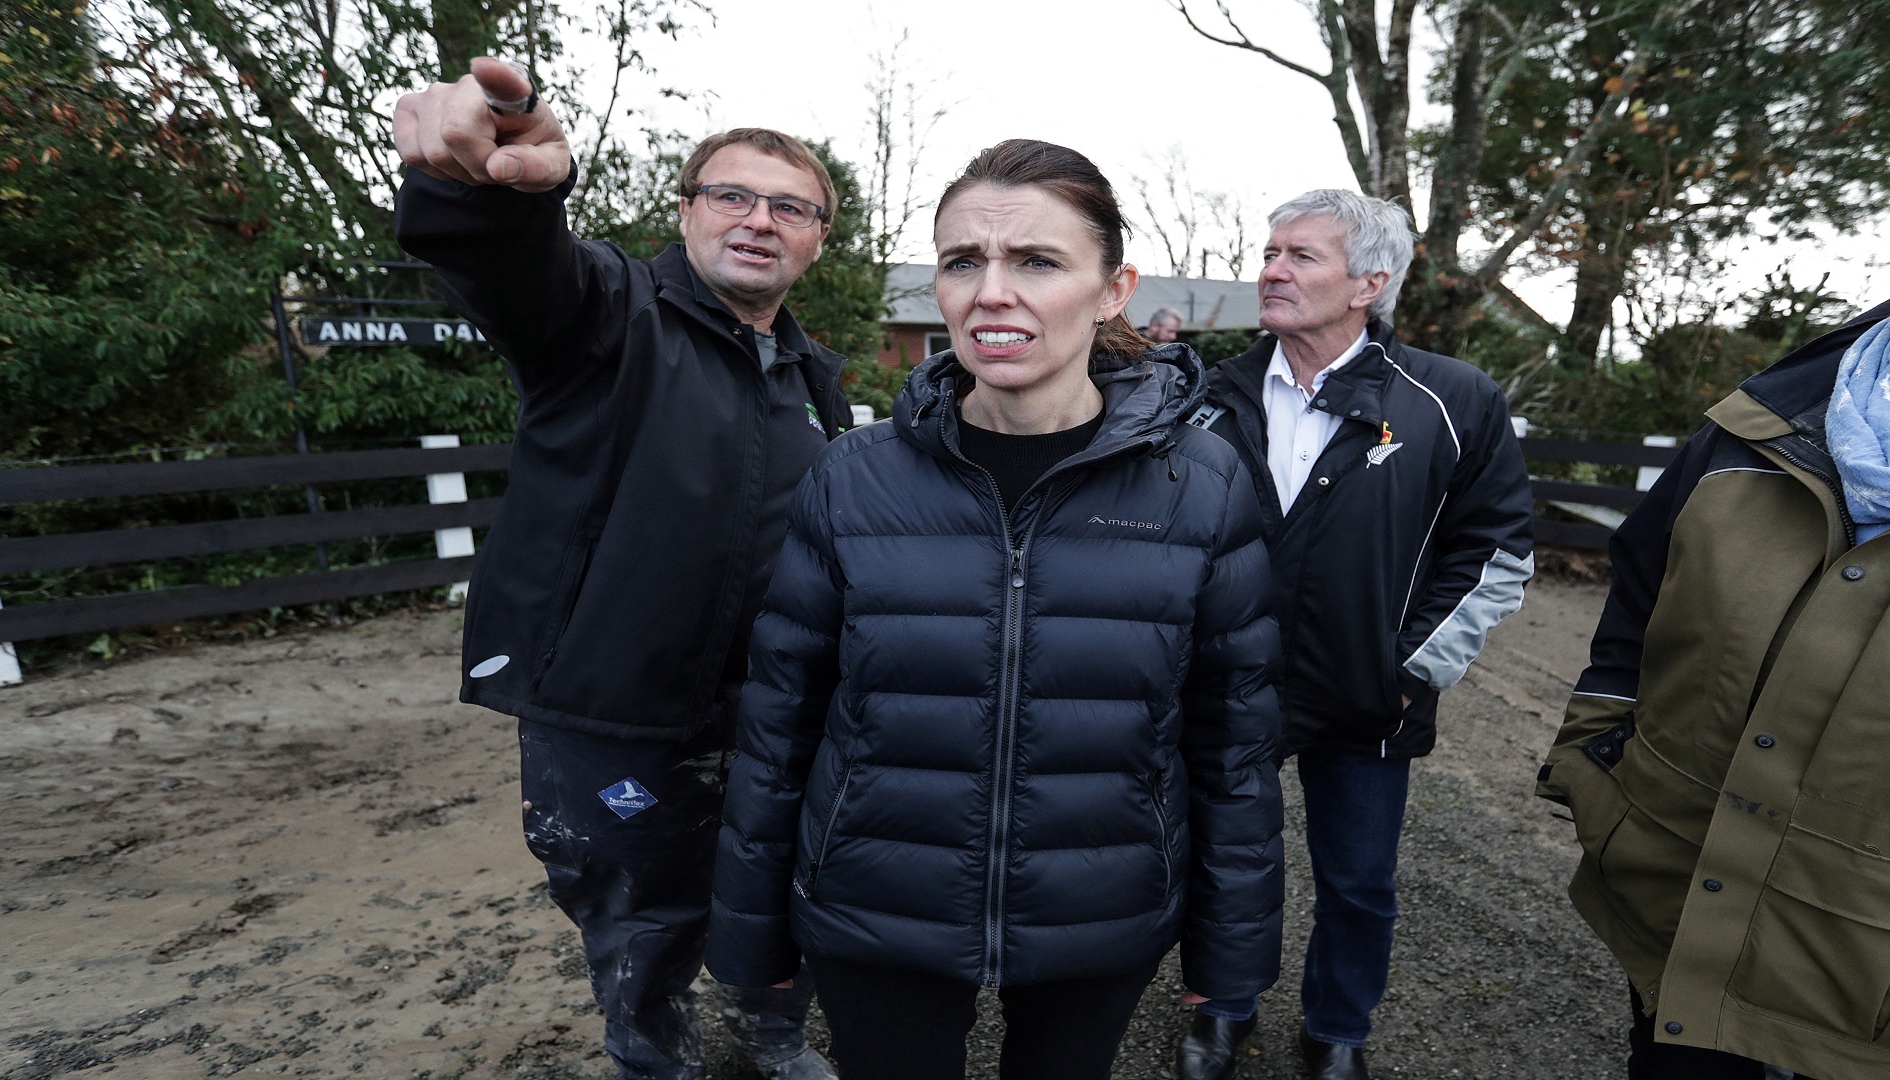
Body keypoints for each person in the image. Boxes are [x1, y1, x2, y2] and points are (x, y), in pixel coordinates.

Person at [705, 139, 1287, 1080]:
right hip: (875, 899)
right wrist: (750, 941)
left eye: (1038, 262)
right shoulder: (854, 478)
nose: (991, 292)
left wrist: (1232, 949)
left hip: (1099, 904)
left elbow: (1233, 741)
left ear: (1112, 290)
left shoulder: (1201, 486)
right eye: (963, 261)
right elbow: (780, 727)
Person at [391, 57, 850, 1080]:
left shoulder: (814, 377)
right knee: (638, 907)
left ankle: (774, 1029)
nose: (758, 219)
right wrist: (490, 191)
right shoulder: (612, 317)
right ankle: (656, 1055)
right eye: (731, 193)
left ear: (818, 240)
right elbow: (522, 270)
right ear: (685, 211)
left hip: (770, 705)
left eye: (790, 207)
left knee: (783, 877)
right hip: (611, 707)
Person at [1179, 189, 1534, 1080]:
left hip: (1369, 690)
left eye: (1301, 256)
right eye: (1269, 252)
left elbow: (1493, 549)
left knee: (1360, 879)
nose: (1271, 270)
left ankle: (1338, 1027)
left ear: (1369, 282)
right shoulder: (1204, 396)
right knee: (1222, 861)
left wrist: (1413, 665)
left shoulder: (1450, 399)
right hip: (1226, 682)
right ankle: (1219, 1011)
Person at [1536, 299, 1890, 1080]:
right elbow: (1642, 586)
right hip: (1675, 915)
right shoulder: (1768, 414)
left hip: (1861, 983)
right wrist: (1597, 744)